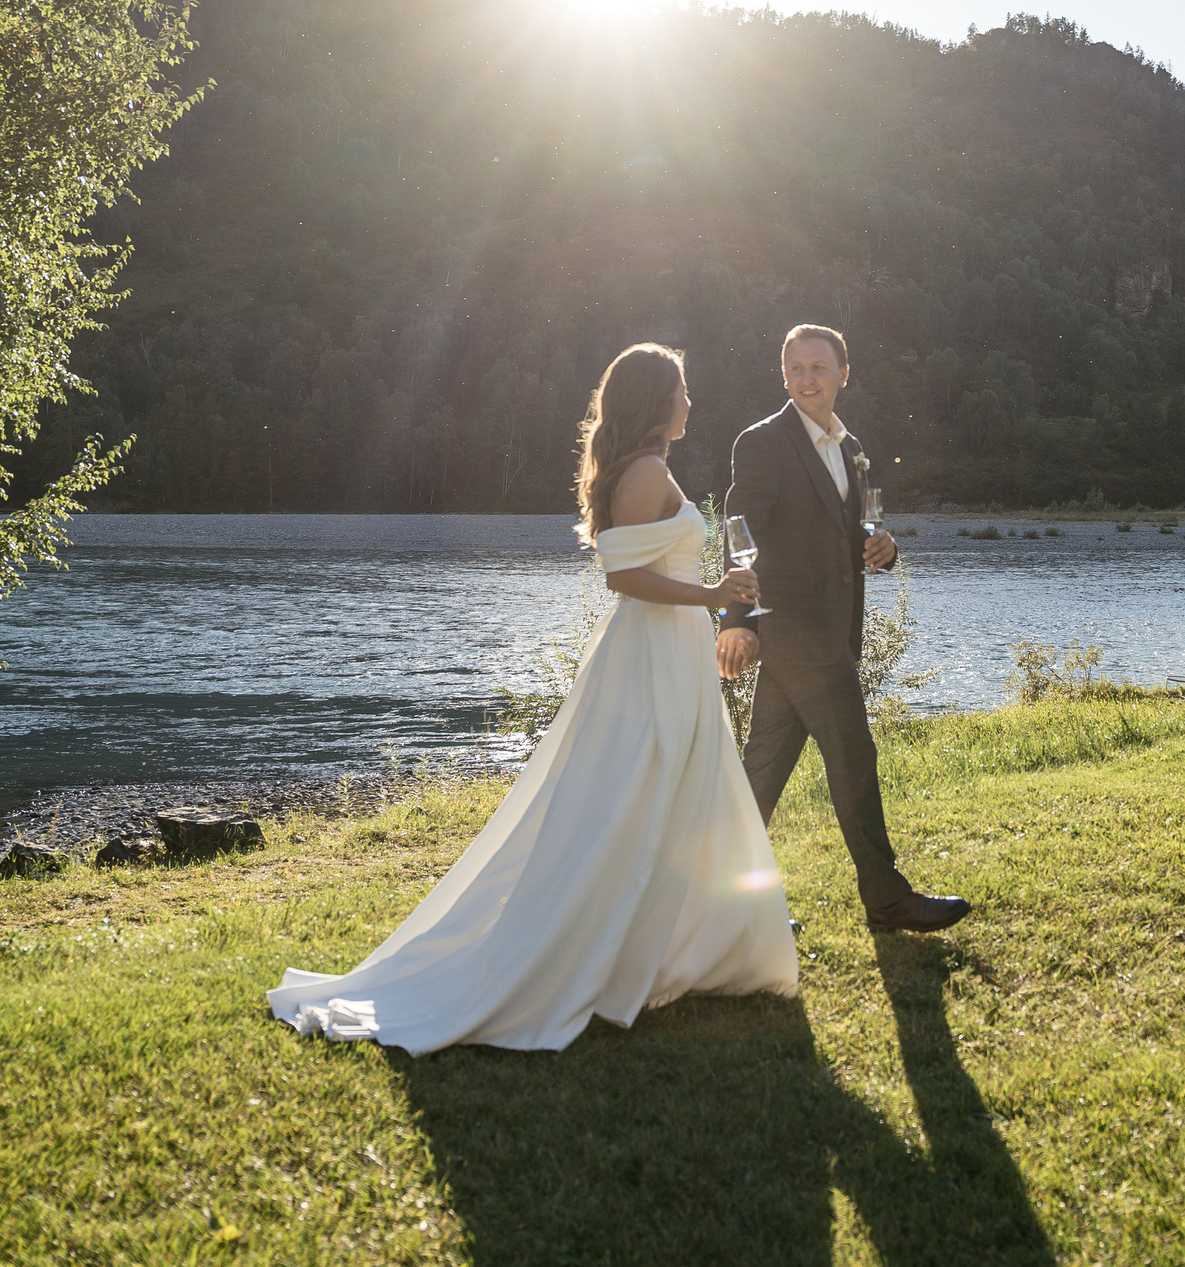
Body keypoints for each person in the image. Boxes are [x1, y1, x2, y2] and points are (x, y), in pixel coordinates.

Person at [266, 343, 796, 1053]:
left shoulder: (645, 468)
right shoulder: (645, 471)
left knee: (684, 792)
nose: (690, 401)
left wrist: (712, 599)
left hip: (671, 650)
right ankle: (614, 953)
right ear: (654, 399)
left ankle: (689, 949)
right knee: (639, 794)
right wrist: (712, 592)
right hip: (651, 653)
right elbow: (625, 575)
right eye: (682, 389)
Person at [717, 324, 972, 935]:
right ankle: (886, 899)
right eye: (796, 368)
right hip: (797, 633)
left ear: (843, 374)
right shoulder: (762, 443)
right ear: (784, 376)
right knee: (854, 758)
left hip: (828, 631)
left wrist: (881, 547)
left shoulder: (852, 445)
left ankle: (716, 904)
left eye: (819, 368)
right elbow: (739, 532)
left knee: (762, 771)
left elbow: (854, 531)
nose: (807, 378)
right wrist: (737, 619)